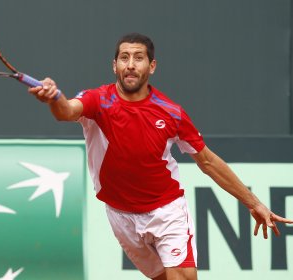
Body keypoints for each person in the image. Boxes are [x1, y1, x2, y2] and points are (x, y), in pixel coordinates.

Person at [28, 33, 293, 280]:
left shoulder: (171, 113)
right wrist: (54, 97)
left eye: (138, 58)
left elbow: (208, 162)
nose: (130, 65)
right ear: (114, 65)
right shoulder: (97, 101)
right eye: (124, 57)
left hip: (165, 210)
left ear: (151, 66)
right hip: (120, 215)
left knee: (183, 277)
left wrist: (253, 203)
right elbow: (66, 111)